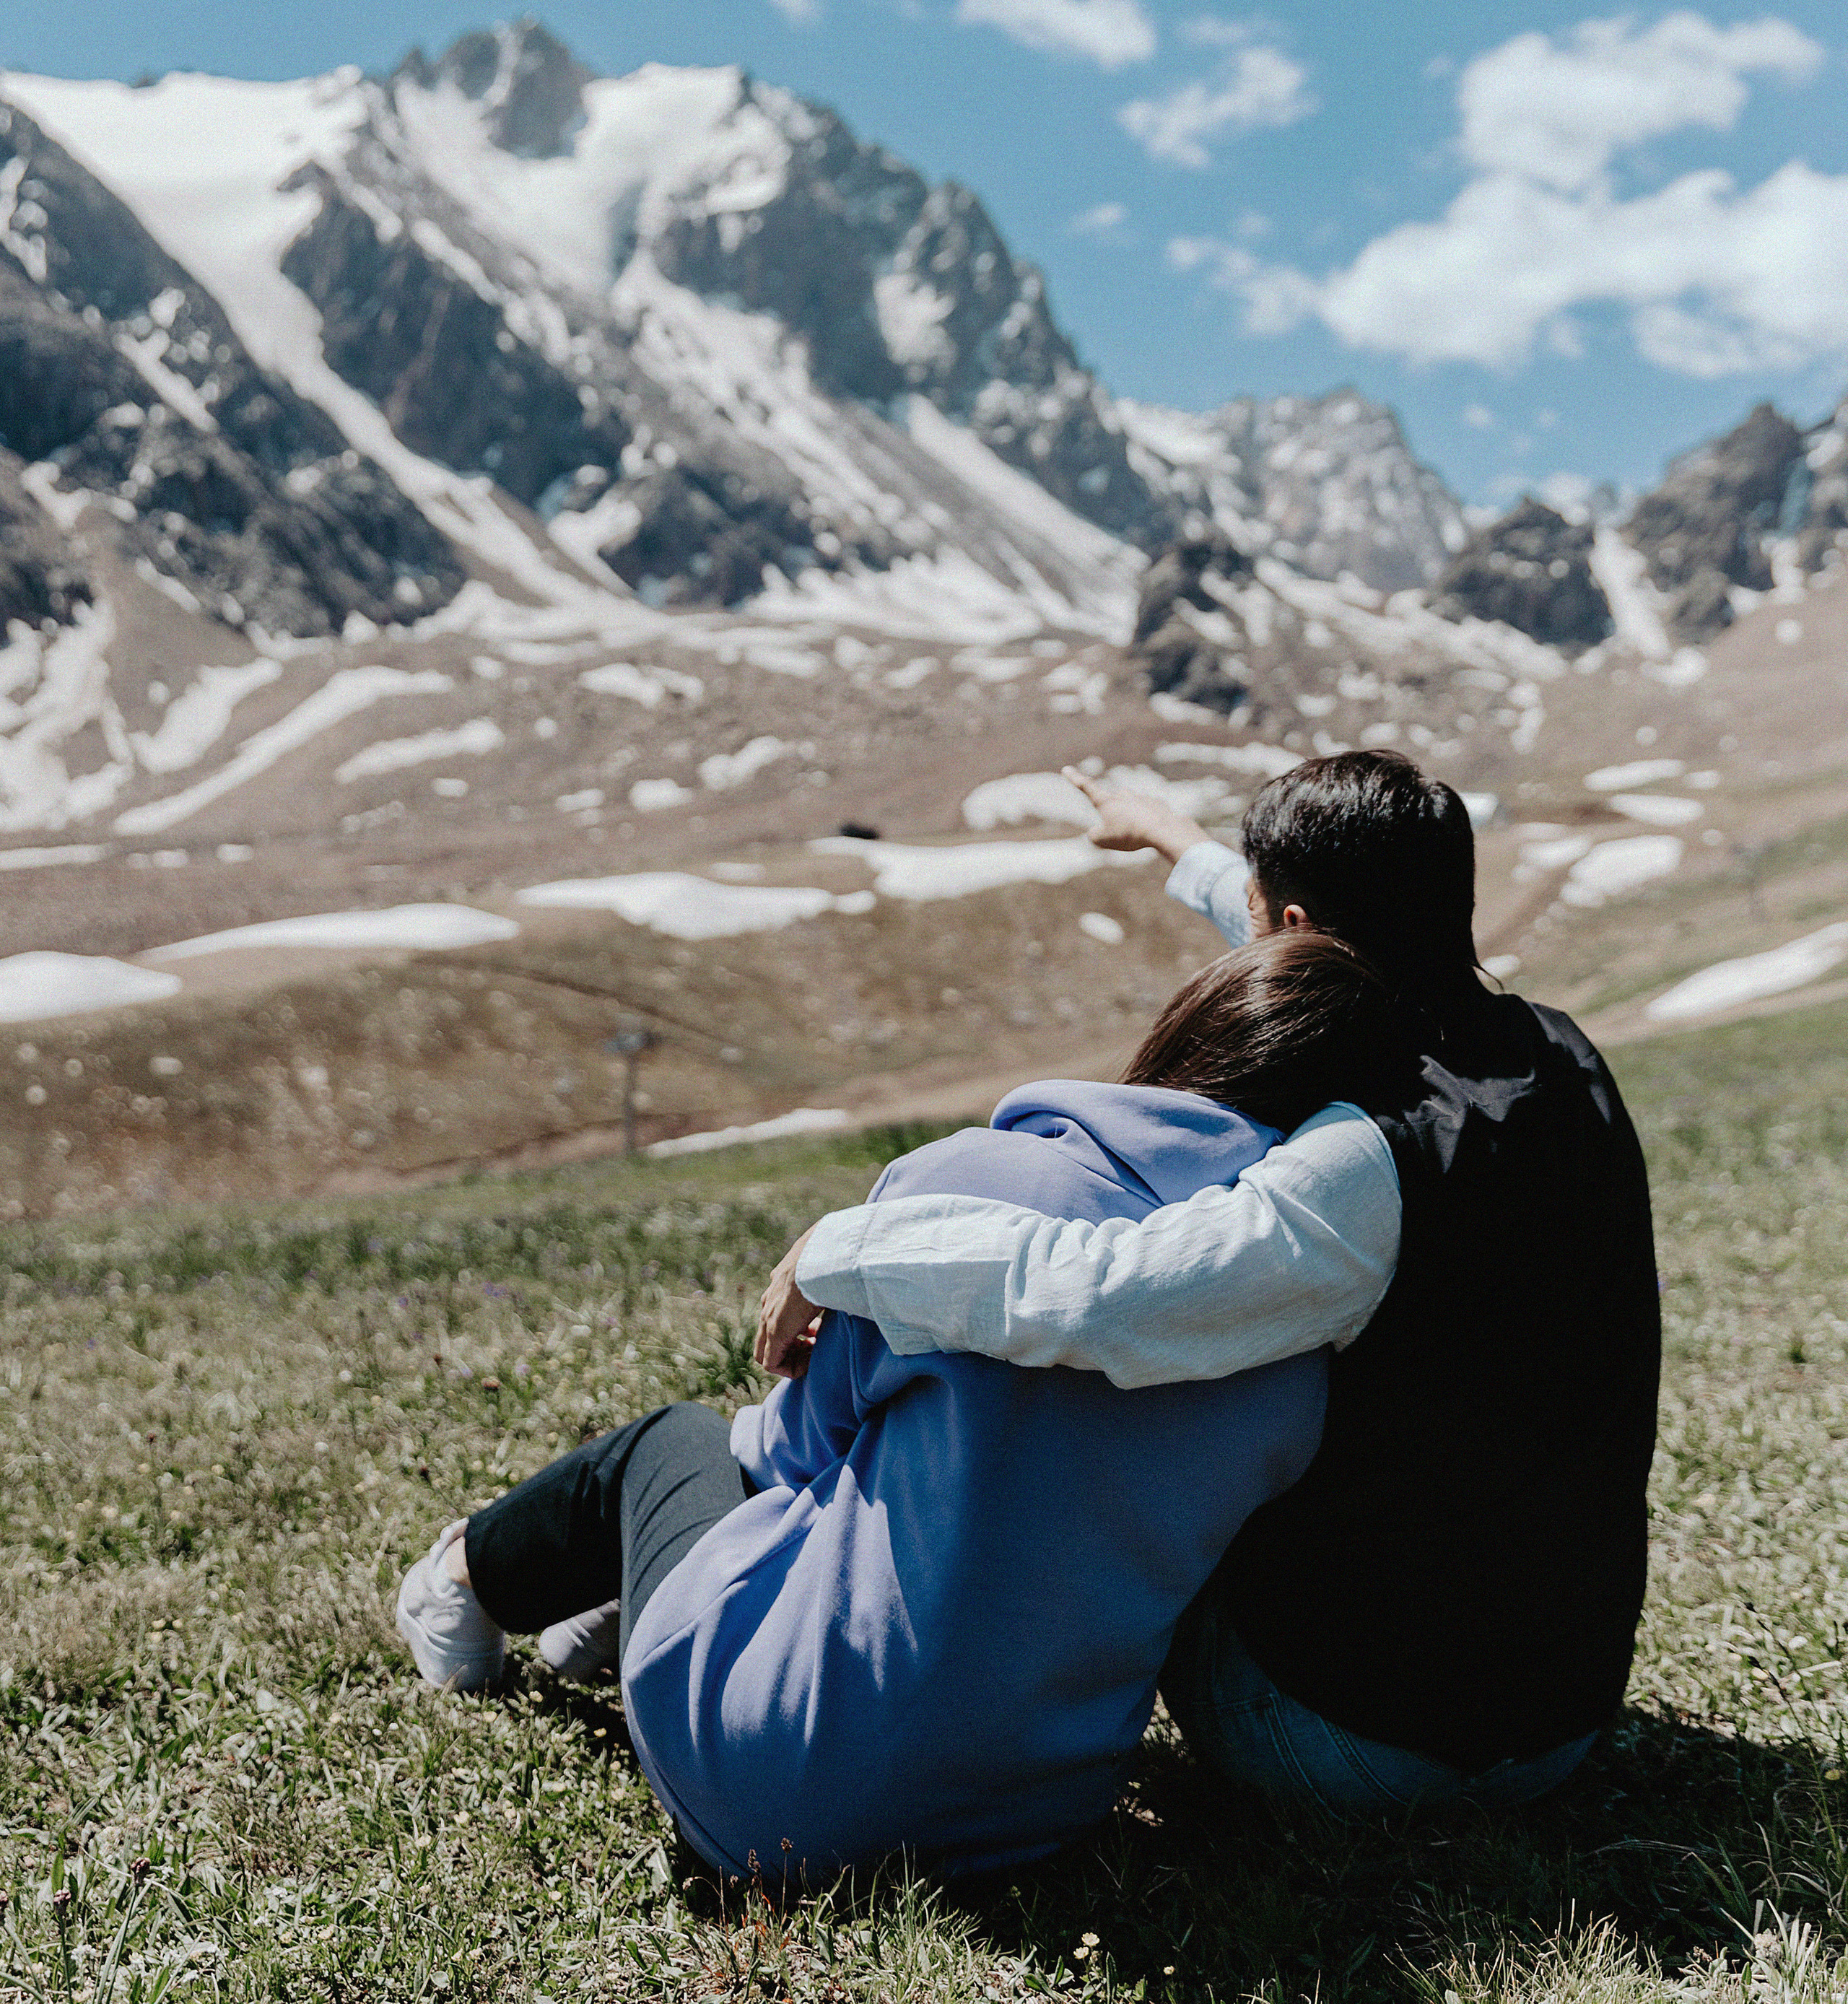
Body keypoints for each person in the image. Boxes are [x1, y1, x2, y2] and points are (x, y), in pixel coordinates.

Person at [755, 749, 1662, 1817]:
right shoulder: (1558, 1053)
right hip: (1561, 1718)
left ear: (1292, 921)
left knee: (1126, 1440)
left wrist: (847, 1251)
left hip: (1358, 1743)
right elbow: (1303, 947)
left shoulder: (1367, 1158)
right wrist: (1168, 839)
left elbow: (1105, 1297)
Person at [396, 933, 1411, 1881]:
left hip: (763, 1783)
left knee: (679, 1443)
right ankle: (622, 1606)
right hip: (1029, 1826)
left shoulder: (969, 1183)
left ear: (1185, 1033)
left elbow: (789, 1451)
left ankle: (461, 1582)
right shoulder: (1297, 1360)